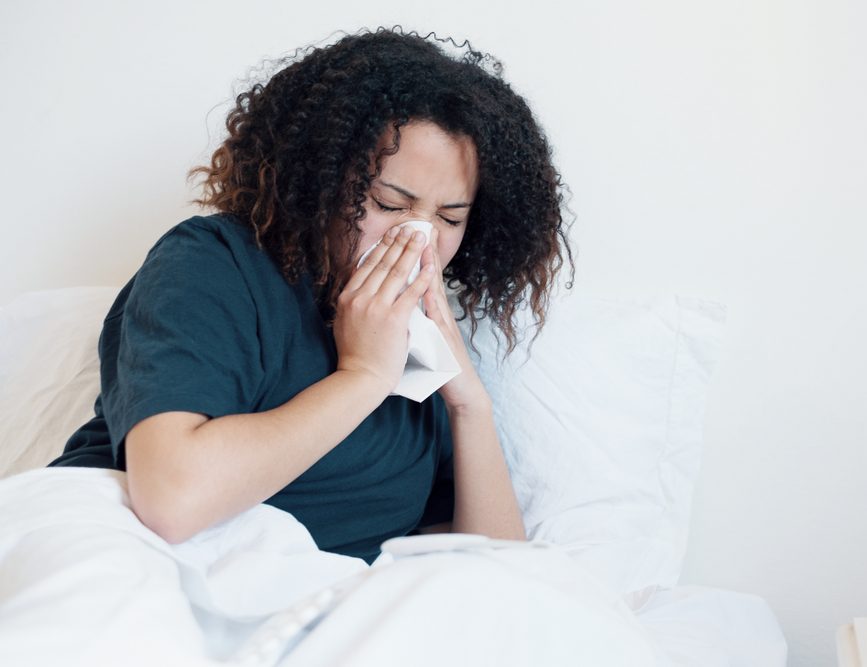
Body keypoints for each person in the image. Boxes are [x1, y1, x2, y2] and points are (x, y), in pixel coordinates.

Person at [47, 26, 574, 566]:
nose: (417, 239)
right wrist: (363, 377)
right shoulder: (212, 264)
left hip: (318, 607)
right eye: (390, 204)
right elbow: (173, 502)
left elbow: (505, 577)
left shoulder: (420, 341)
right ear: (319, 176)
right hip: (134, 565)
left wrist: (469, 405)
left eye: (449, 217)